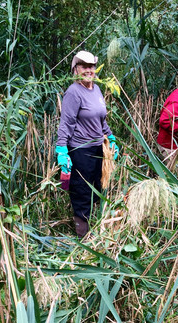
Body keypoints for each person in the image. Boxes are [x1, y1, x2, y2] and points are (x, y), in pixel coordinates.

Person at [55, 50, 118, 238]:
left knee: (97, 187)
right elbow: (65, 123)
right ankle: (83, 236)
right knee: (82, 191)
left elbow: (101, 120)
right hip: (80, 150)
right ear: (76, 69)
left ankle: (95, 228)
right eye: (84, 66)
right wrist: (62, 150)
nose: (89, 70)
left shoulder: (96, 89)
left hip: (98, 148)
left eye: (91, 66)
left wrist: (110, 137)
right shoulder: (73, 92)